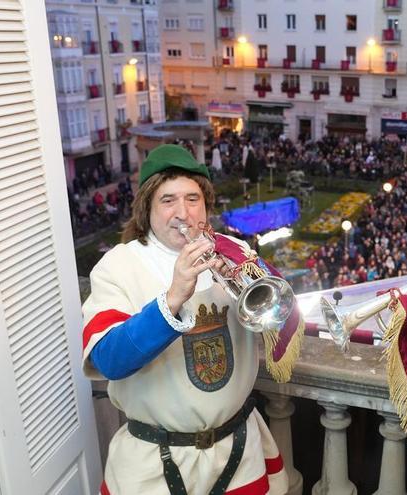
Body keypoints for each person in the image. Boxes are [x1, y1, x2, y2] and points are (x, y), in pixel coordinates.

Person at [82, 144, 300, 495]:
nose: (182, 212)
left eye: (192, 199)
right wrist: (173, 297)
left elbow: (281, 319)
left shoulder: (235, 251)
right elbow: (109, 361)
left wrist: (249, 280)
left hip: (238, 453)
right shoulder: (118, 266)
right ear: (146, 209)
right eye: (168, 200)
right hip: (154, 464)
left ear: (206, 205)